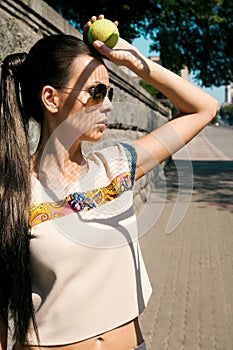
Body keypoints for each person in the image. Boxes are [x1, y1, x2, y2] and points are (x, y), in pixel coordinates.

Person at [0, 14, 217, 350]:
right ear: (50, 98)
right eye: (96, 92)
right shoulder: (13, 192)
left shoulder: (115, 167)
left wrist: (132, 59)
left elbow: (204, 108)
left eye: (110, 91)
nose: (109, 105)